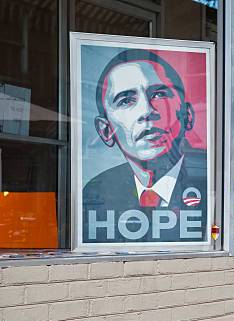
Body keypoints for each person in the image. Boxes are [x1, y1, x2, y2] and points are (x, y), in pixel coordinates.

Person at [83, 49, 206, 243]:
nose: (147, 111)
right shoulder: (98, 189)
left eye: (158, 94)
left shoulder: (211, 181)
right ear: (106, 130)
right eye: (126, 100)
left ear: (187, 116)